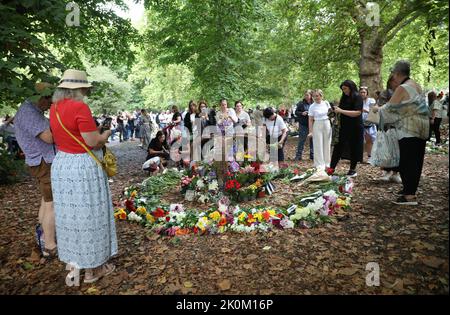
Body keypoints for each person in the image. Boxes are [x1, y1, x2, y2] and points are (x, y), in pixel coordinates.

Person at [49, 69, 117, 282]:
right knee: (91, 215)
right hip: (82, 167)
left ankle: (74, 263)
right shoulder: (80, 107)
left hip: (62, 165)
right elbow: (92, 141)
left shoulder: (54, 108)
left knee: (70, 217)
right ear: (78, 89)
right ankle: (92, 270)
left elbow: (65, 134)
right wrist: (105, 134)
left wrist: (93, 132)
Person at [373, 60, 429, 205]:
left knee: (407, 161)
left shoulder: (403, 87)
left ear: (397, 73)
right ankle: (409, 190)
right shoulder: (416, 85)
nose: (393, 76)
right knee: (416, 160)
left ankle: (409, 196)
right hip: (422, 126)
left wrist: (377, 109)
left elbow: (389, 109)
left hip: (409, 128)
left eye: (393, 73)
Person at [14, 82, 57, 258]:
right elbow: (48, 137)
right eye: (49, 99)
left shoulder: (32, 111)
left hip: (41, 161)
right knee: (51, 203)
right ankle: (50, 245)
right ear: (40, 97)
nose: (51, 104)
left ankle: (43, 235)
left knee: (45, 200)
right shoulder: (29, 112)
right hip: (43, 162)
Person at [329, 80, 364, 177]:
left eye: (345, 89)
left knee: (354, 147)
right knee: (338, 147)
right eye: (342, 89)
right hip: (344, 126)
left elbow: (357, 112)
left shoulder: (357, 97)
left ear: (351, 87)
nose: (344, 91)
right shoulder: (344, 97)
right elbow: (341, 110)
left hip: (355, 127)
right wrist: (335, 110)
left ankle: (352, 169)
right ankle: (331, 168)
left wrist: (341, 110)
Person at [377, 75, 402, 183]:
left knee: (398, 149)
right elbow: (382, 107)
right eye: (394, 81)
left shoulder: (402, 93)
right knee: (387, 149)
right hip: (387, 125)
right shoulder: (384, 93)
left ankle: (396, 173)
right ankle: (387, 171)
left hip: (400, 125)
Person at [307, 90, 332, 172]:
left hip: (327, 123)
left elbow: (331, 114)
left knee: (327, 144)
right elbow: (310, 120)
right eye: (314, 96)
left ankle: (327, 163)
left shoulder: (326, 103)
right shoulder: (312, 106)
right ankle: (319, 164)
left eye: (317, 95)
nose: (316, 97)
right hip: (317, 124)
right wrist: (310, 131)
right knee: (318, 144)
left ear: (321, 96)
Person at [294, 90, 314, 161]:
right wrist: (302, 113)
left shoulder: (314, 103)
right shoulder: (301, 103)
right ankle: (298, 155)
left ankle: (312, 156)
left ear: (311, 95)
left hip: (312, 124)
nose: (306, 96)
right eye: (305, 95)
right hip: (303, 124)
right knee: (301, 140)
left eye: (307, 95)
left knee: (313, 141)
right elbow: (296, 112)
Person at [360, 86, 377, 161]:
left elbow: (373, 110)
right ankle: (362, 156)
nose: (362, 94)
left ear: (367, 93)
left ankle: (371, 157)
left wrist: (364, 110)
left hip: (369, 123)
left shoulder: (371, 100)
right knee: (363, 140)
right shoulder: (358, 101)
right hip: (360, 122)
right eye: (361, 92)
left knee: (370, 139)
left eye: (364, 92)